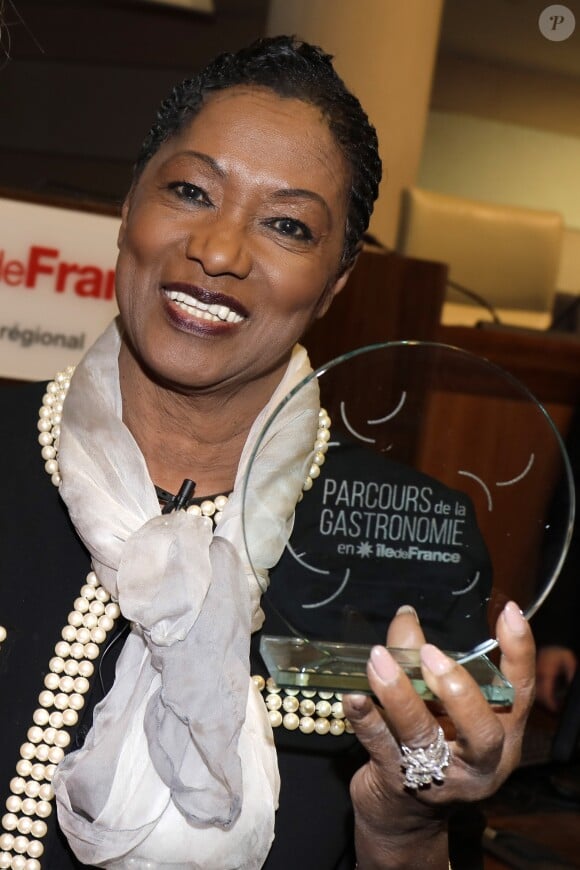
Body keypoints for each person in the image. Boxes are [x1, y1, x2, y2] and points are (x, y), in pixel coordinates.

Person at [0, 35, 535, 869]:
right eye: (189, 190)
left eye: (287, 225)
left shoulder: (407, 545)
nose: (218, 252)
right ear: (128, 205)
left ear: (334, 283)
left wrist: (404, 825)